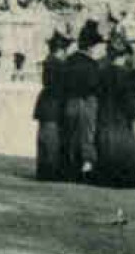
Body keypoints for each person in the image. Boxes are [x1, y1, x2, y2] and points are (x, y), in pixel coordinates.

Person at [92, 35, 135, 188]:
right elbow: (129, 98)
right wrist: (133, 112)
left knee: (106, 142)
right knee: (125, 143)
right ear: (123, 55)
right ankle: (124, 174)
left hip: (106, 111)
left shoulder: (102, 71)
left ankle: (106, 174)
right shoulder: (127, 75)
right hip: (121, 114)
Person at [61, 22, 105, 180]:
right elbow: (96, 86)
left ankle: (70, 166)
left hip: (71, 101)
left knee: (71, 133)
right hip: (88, 101)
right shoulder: (92, 64)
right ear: (91, 47)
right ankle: (86, 166)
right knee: (87, 134)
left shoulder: (69, 61)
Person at [33, 33, 71, 181]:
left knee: (45, 138)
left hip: (46, 103)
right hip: (54, 104)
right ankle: (50, 170)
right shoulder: (58, 64)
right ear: (60, 50)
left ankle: (44, 169)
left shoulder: (49, 62)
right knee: (51, 139)